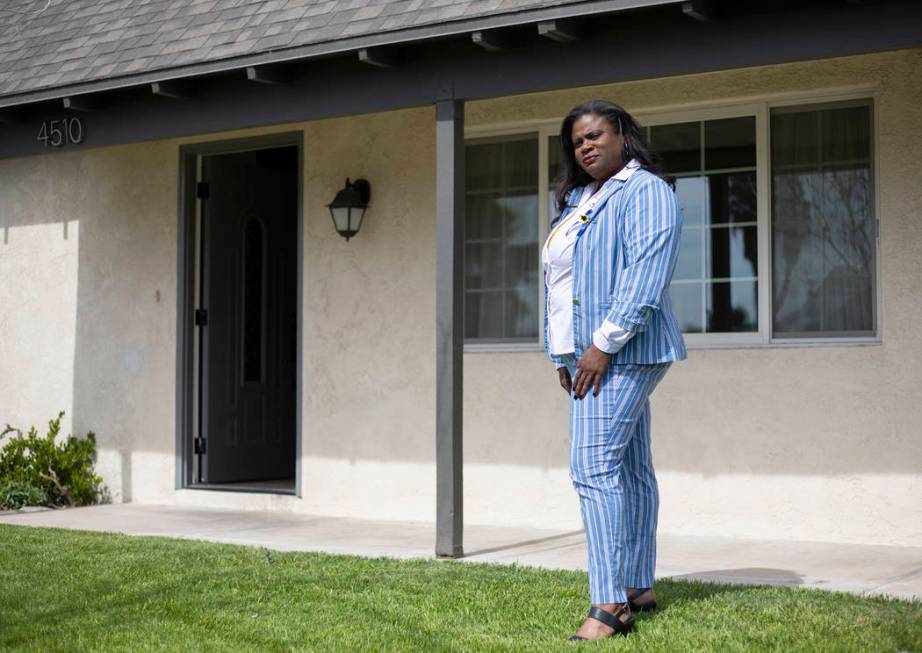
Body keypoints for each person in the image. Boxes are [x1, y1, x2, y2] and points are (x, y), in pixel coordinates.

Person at [542, 99, 686, 640]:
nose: (586, 146)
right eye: (577, 141)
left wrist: (600, 346)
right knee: (627, 468)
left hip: (625, 351)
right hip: (590, 355)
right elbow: (562, 285)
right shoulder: (580, 198)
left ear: (624, 134)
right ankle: (636, 586)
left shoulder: (645, 190)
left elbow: (644, 275)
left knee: (592, 468)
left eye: (597, 134)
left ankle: (609, 604)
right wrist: (565, 353)